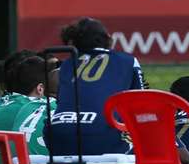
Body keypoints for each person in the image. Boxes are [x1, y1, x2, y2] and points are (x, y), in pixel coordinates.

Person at [48, 17, 145, 156]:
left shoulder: (67, 65)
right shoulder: (128, 60)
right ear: (107, 38)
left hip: (59, 135)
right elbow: (140, 104)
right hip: (102, 136)